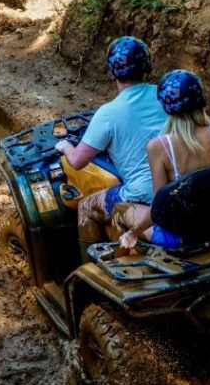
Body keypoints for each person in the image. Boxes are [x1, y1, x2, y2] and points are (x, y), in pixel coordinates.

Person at [113, 69, 210, 249]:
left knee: (120, 209)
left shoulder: (158, 147)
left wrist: (133, 232)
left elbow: (159, 208)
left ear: (165, 105)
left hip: (179, 237)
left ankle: (126, 256)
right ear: (200, 99)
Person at [53, 36, 167, 250]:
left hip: (143, 194)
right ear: (147, 67)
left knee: (86, 206)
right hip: (175, 185)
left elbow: (77, 161)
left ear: (113, 73)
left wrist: (65, 146)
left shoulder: (107, 114)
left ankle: (92, 263)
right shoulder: (163, 96)